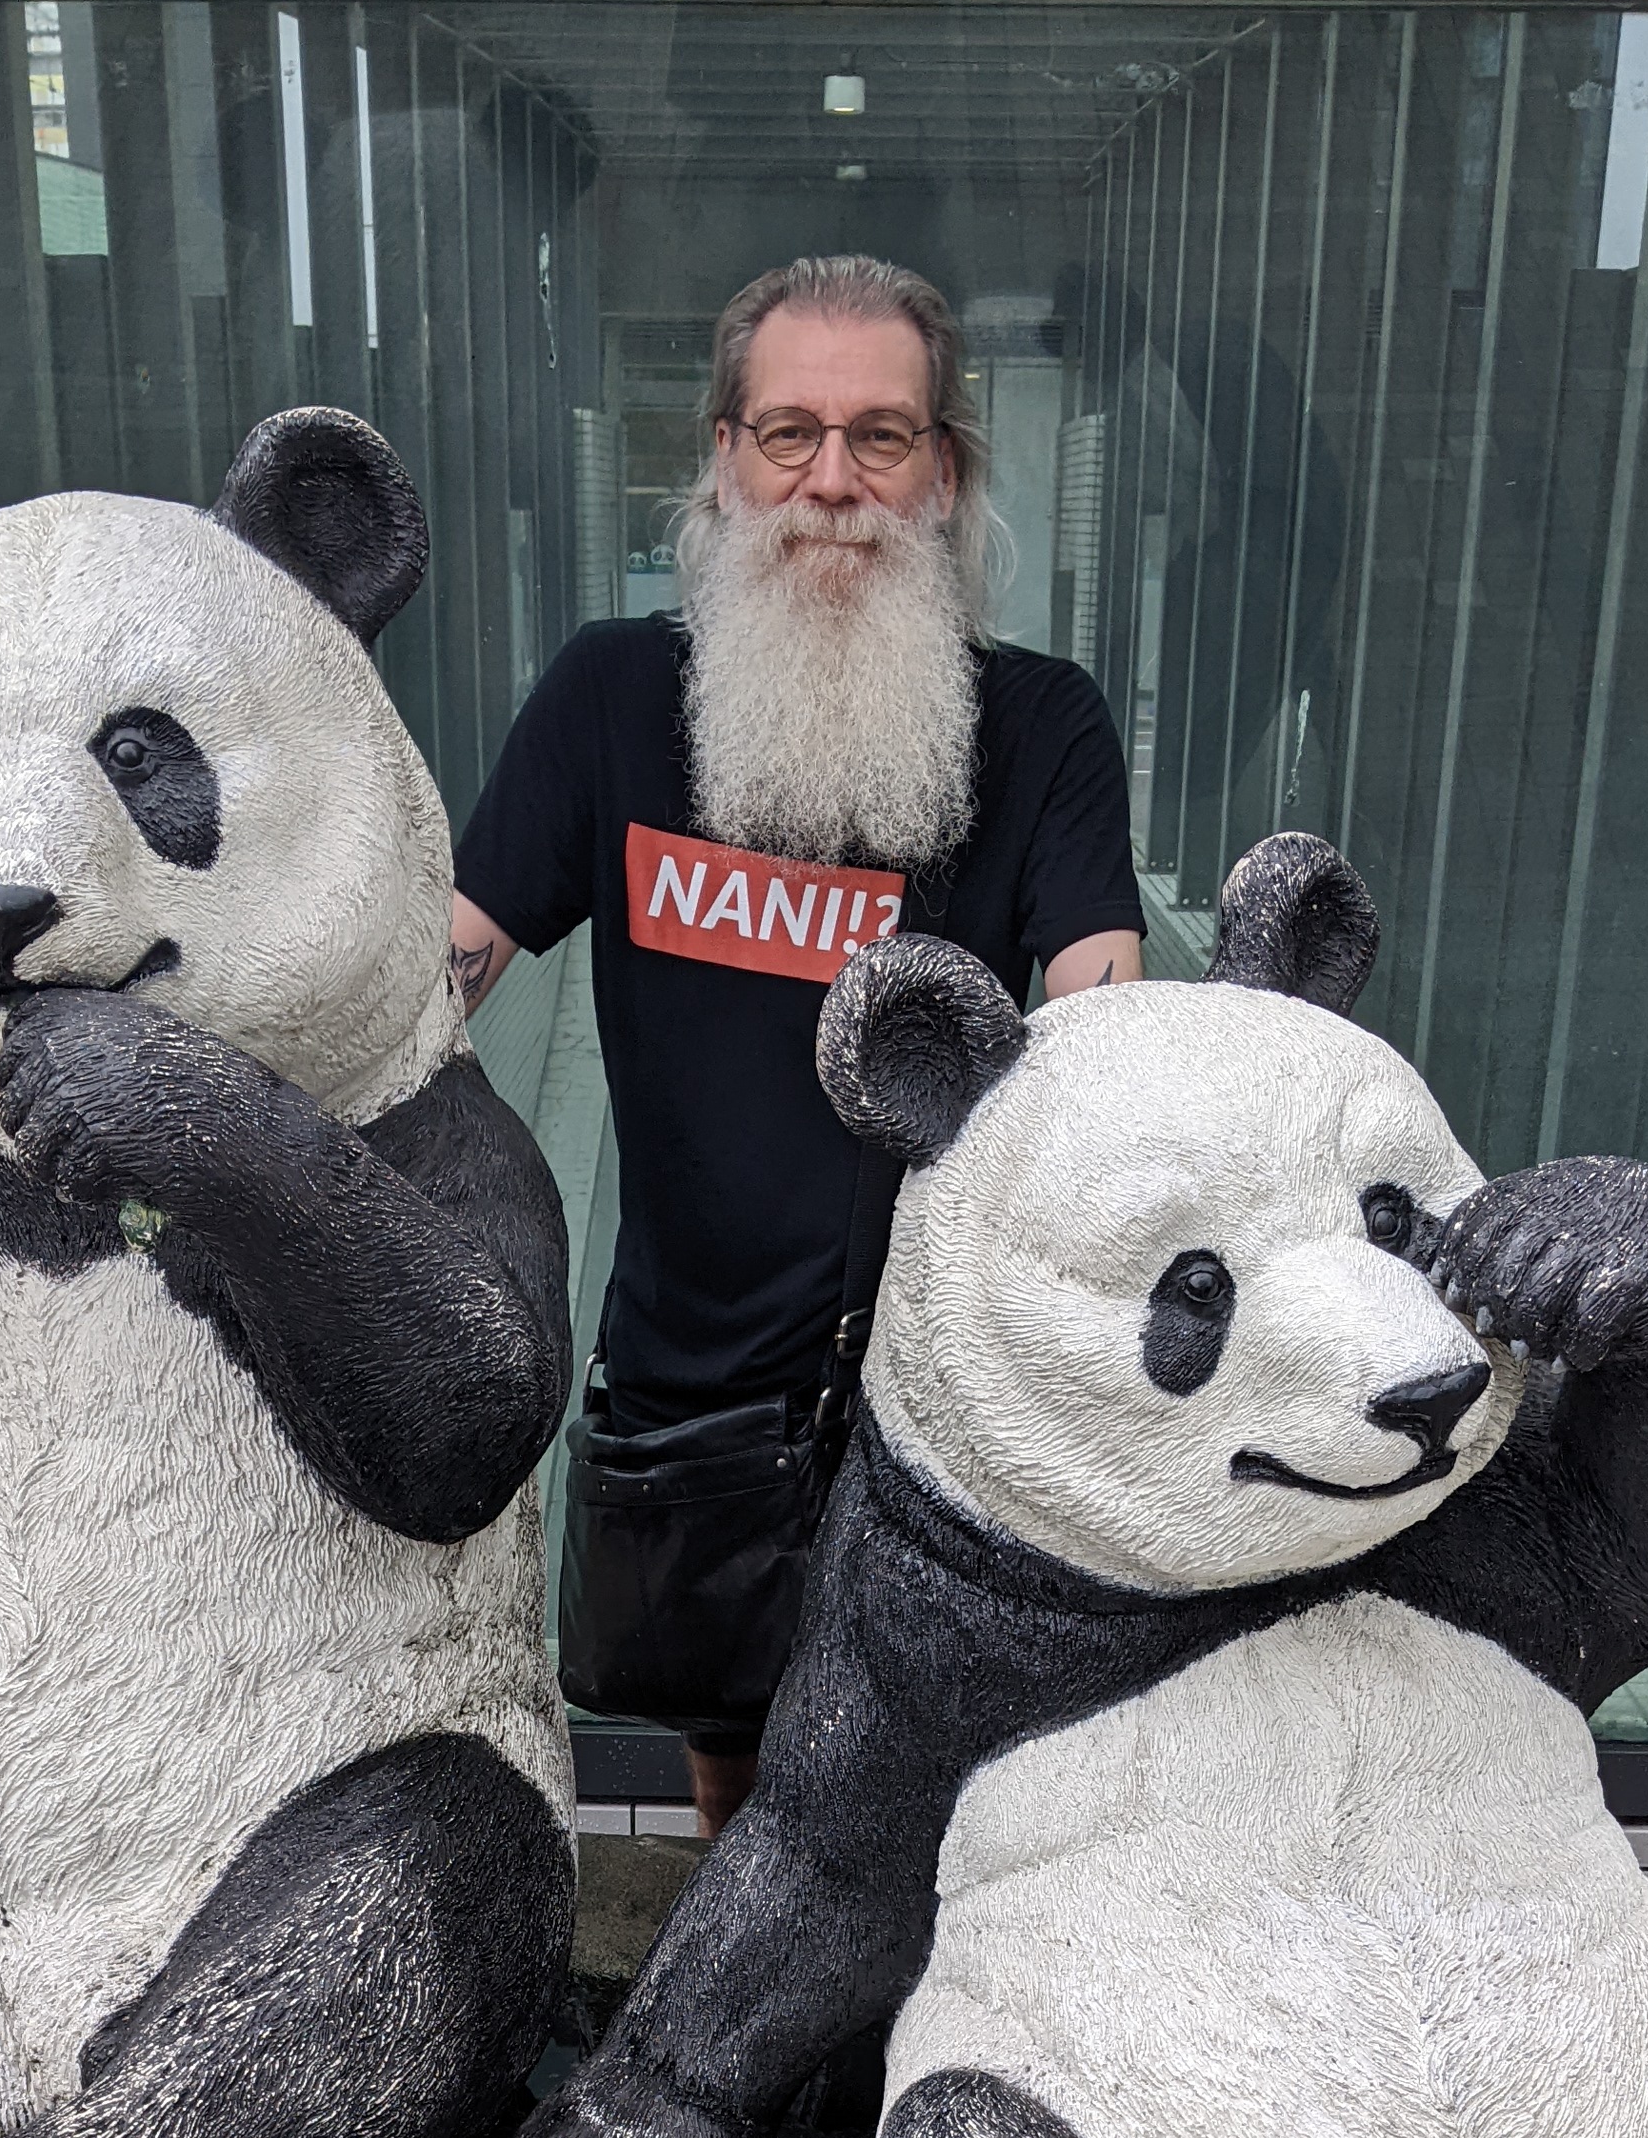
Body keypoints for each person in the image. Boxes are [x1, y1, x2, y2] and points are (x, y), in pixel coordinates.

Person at [451, 253, 1145, 1835]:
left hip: (951, 1410)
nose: (832, 481)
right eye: (789, 433)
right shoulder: (614, 700)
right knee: (743, 1825)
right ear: (723, 460)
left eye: (882, 437)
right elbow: (433, 978)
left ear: (943, 474)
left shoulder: (1042, 732)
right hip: (700, 1402)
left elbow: (1111, 1025)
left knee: (952, 1833)